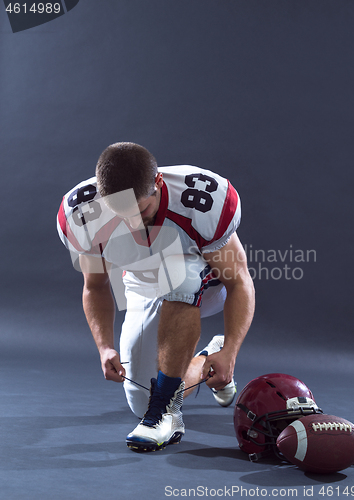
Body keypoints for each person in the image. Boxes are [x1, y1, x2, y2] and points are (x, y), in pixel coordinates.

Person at [57, 142, 255, 451]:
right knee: (140, 402)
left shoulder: (201, 200)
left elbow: (239, 281)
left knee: (180, 276)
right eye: (121, 215)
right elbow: (95, 286)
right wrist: (105, 347)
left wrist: (231, 351)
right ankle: (203, 357)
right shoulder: (83, 215)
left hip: (204, 282)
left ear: (158, 184)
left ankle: (166, 412)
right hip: (142, 283)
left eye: (141, 211)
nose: (134, 225)